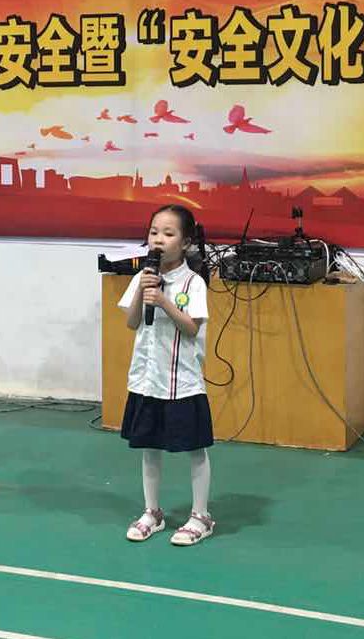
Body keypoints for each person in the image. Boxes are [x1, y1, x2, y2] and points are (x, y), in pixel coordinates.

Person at [118, 205, 215, 546]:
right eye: (154, 232)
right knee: (149, 446)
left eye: (168, 233)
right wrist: (143, 291)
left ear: (186, 242)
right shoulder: (142, 277)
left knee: (195, 448)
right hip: (147, 379)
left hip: (182, 382)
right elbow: (131, 322)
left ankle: (200, 515)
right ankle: (152, 512)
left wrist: (163, 301)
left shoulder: (194, 283)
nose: (158, 239)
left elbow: (191, 328)